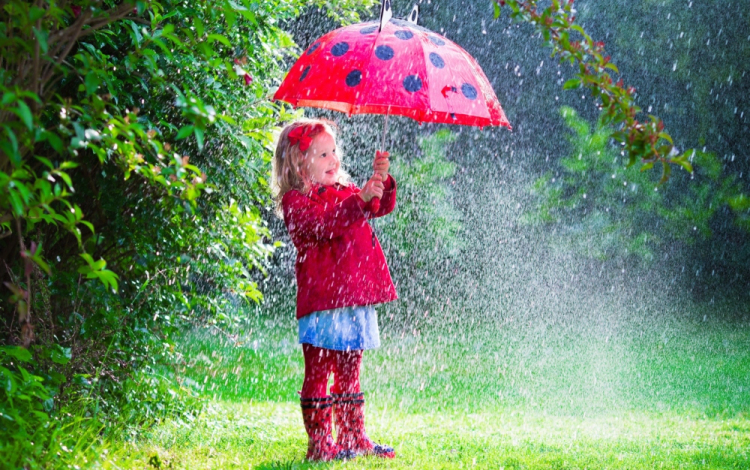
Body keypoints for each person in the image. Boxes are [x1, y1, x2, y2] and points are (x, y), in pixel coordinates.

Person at [273, 118, 398, 462]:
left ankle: (353, 436)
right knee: (319, 371)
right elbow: (325, 224)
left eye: (334, 152)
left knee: (349, 371)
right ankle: (320, 443)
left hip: (354, 298)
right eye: (323, 154)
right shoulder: (297, 201)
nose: (334, 160)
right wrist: (360, 199)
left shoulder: (345, 190)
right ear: (300, 163)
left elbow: (376, 207)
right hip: (323, 302)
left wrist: (380, 184)